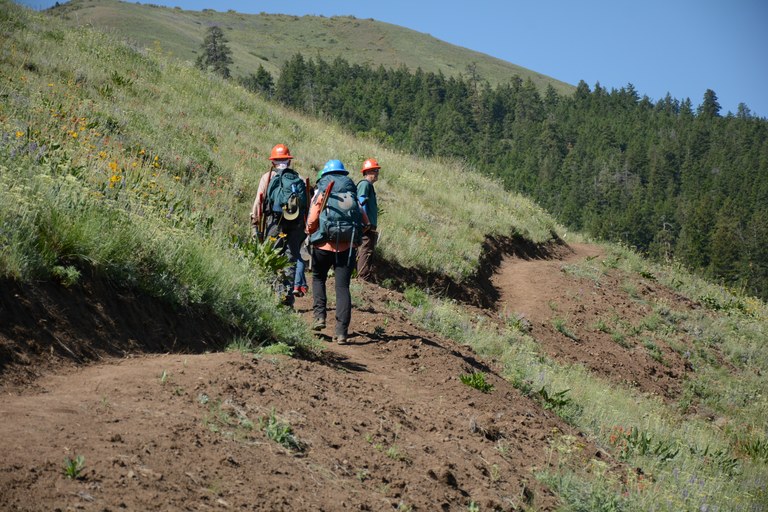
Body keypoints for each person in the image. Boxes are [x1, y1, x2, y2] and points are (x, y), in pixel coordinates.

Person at [306, 159, 369, 344]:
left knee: (318, 278)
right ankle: (341, 332)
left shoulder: (322, 191)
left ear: (325, 175)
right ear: (344, 175)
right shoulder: (351, 194)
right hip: (347, 249)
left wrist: (310, 232)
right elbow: (365, 222)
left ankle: (319, 317)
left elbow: (312, 219)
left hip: (323, 246)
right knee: (342, 287)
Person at [254, 143, 308, 307]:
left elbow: (259, 200)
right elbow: (305, 205)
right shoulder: (298, 178)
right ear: (289, 161)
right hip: (295, 224)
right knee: (290, 259)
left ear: (273, 162)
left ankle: (271, 295)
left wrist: (255, 220)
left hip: (274, 223)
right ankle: (286, 299)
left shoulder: (268, 177)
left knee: (272, 256)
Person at [356, 158, 381, 281]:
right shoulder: (364, 185)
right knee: (365, 249)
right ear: (367, 172)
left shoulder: (368, 186)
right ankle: (362, 276)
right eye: (374, 170)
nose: (377, 173)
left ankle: (364, 275)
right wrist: (365, 222)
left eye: (377, 170)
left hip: (369, 224)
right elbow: (361, 203)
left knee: (368, 249)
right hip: (366, 225)